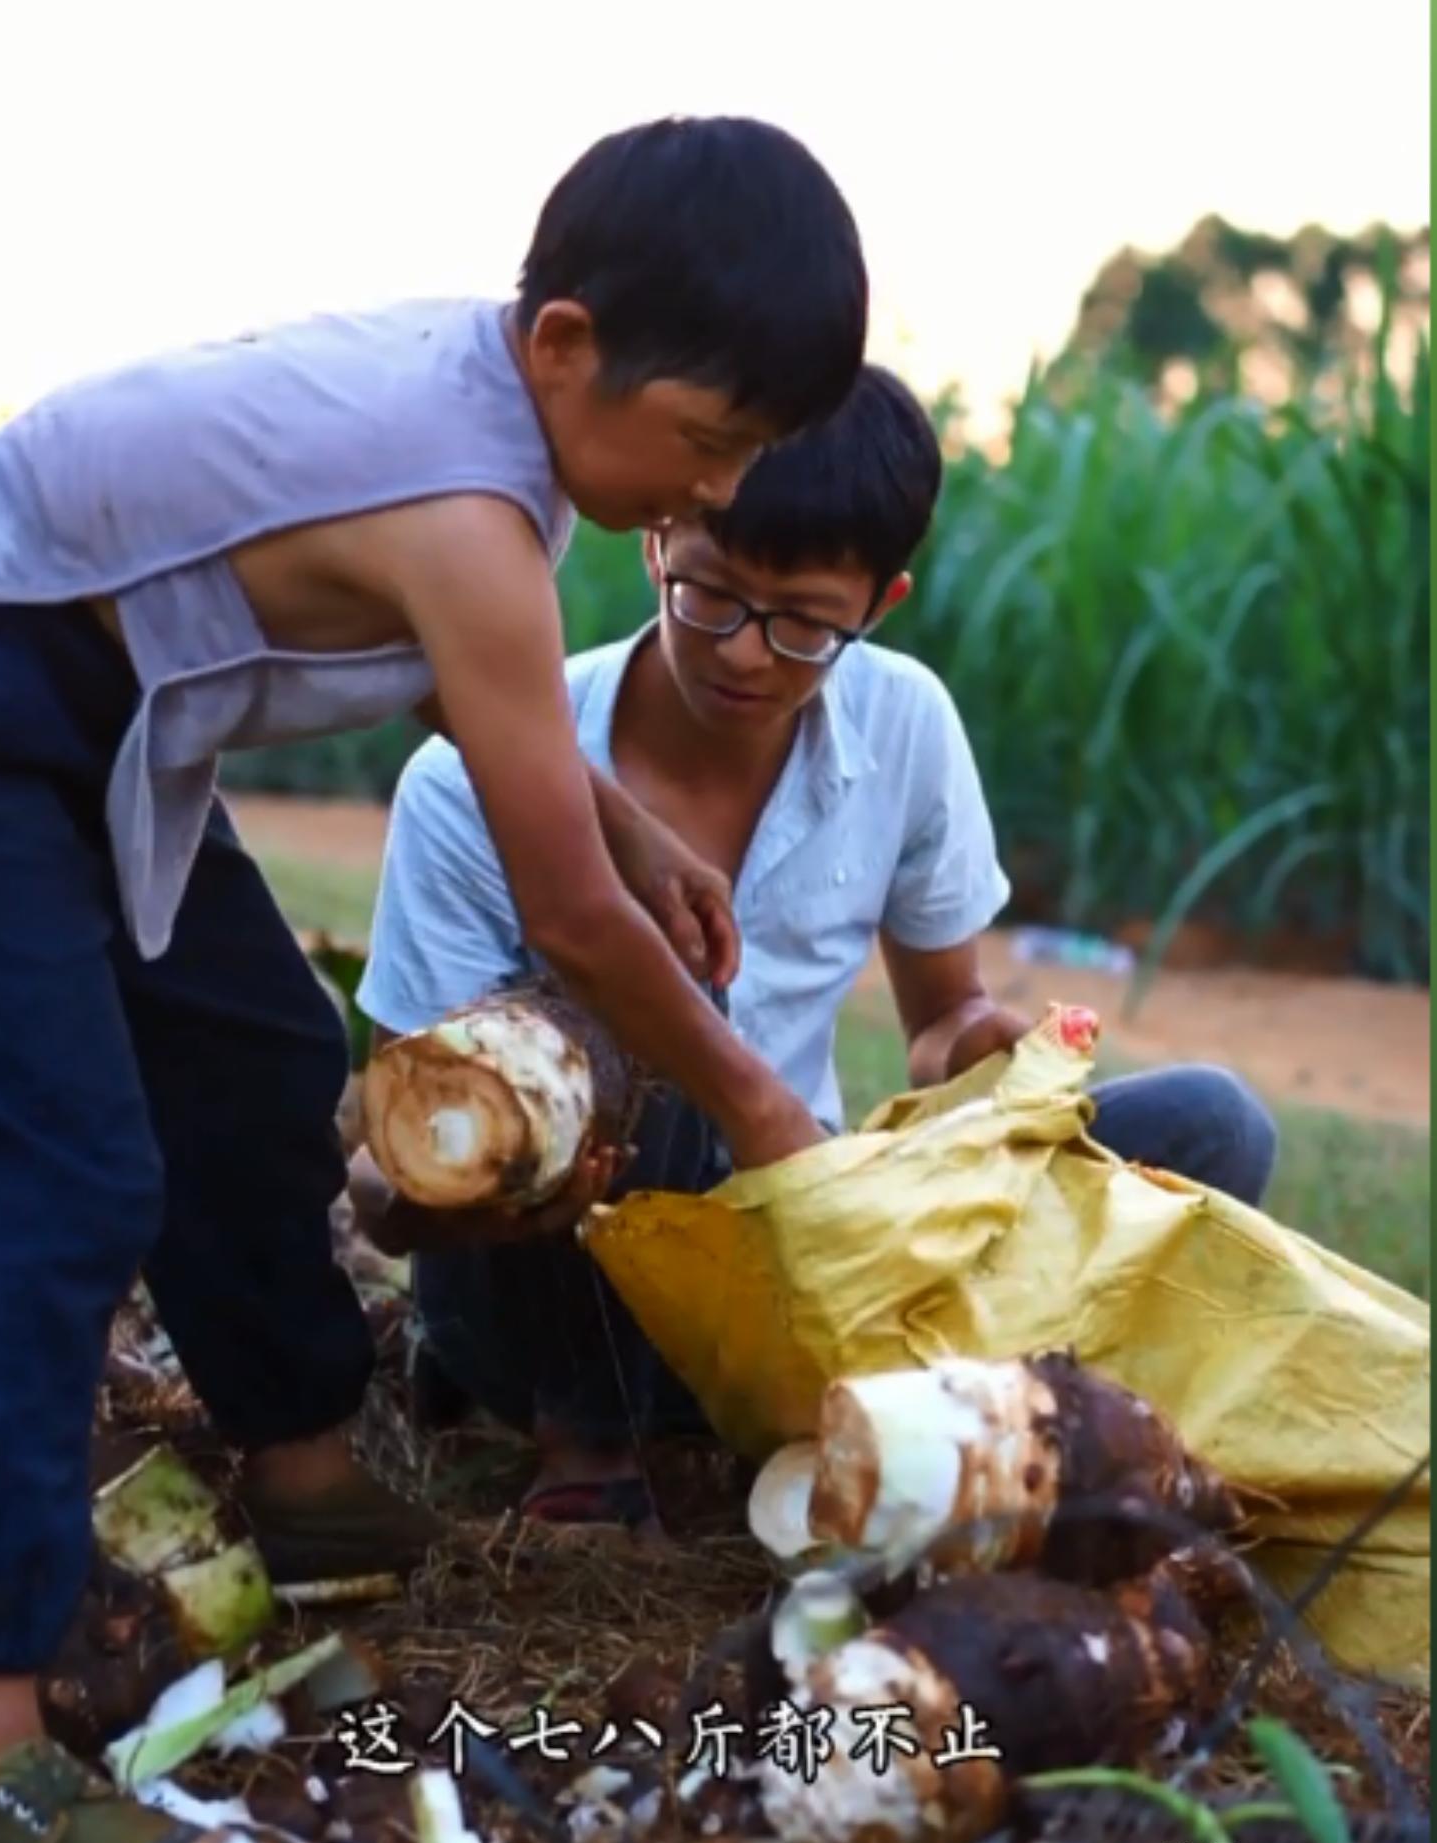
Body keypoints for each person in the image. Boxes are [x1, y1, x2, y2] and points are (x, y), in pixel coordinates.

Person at [0, 114, 868, 1843]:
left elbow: (469, 695)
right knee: (59, 1179)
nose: (715, 492)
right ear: (567, 346)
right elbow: (575, 926)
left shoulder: (477, 427)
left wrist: (619, 821)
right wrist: (757, 1106)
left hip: (100, 714)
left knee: (253, 1049)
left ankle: (302, 1477)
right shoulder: (466, 510)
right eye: (708, 439)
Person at [353, 365, 1279, 1528]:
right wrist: (466, 1163)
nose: (744, 654)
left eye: (801, 624)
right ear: (655, 546)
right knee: (661, 1008)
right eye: (711, 597)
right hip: (545, 1293)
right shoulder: (466, 777)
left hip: (804, 1245)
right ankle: (588, 1445)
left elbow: (942, 1020)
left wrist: (979, 1052)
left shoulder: (906, 725)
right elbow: (401, 1158)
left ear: (878, 604)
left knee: (1213, 1124)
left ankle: (992, 1410)